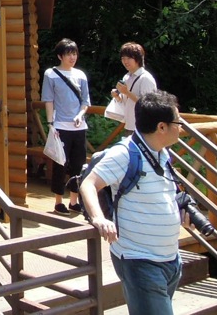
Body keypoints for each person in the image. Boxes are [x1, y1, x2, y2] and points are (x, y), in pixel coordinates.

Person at [79, 91, 185, 315]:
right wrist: (99, 218)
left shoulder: (162, 153)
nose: (182, 126)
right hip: (139, 260)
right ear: (161, 127)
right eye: (178, 121)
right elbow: (89, 184)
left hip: (170, 259)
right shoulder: (125, 153)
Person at [41, 38, 90, 215]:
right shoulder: (51, 74)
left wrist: (80, 115)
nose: (72, 57)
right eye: (69, 54)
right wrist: (50, 124)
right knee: (60, 164)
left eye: (74, 53)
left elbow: (85, 101)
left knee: (78, 164)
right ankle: (58, 201)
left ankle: (74, 201)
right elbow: (48, 99)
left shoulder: (81, 75)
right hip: (60, 126)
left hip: (79, 127)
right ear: (60, 56)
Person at [111, 42, 158, 135]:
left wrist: (127, 92)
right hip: (129, 124)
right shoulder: (126, 77)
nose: (125, 61)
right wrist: (116, 96)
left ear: (138, 58)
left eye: (129, 58)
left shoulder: (146, 78)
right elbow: (125, 101)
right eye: (123, 58)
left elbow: (148, 104)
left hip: (143, 127)